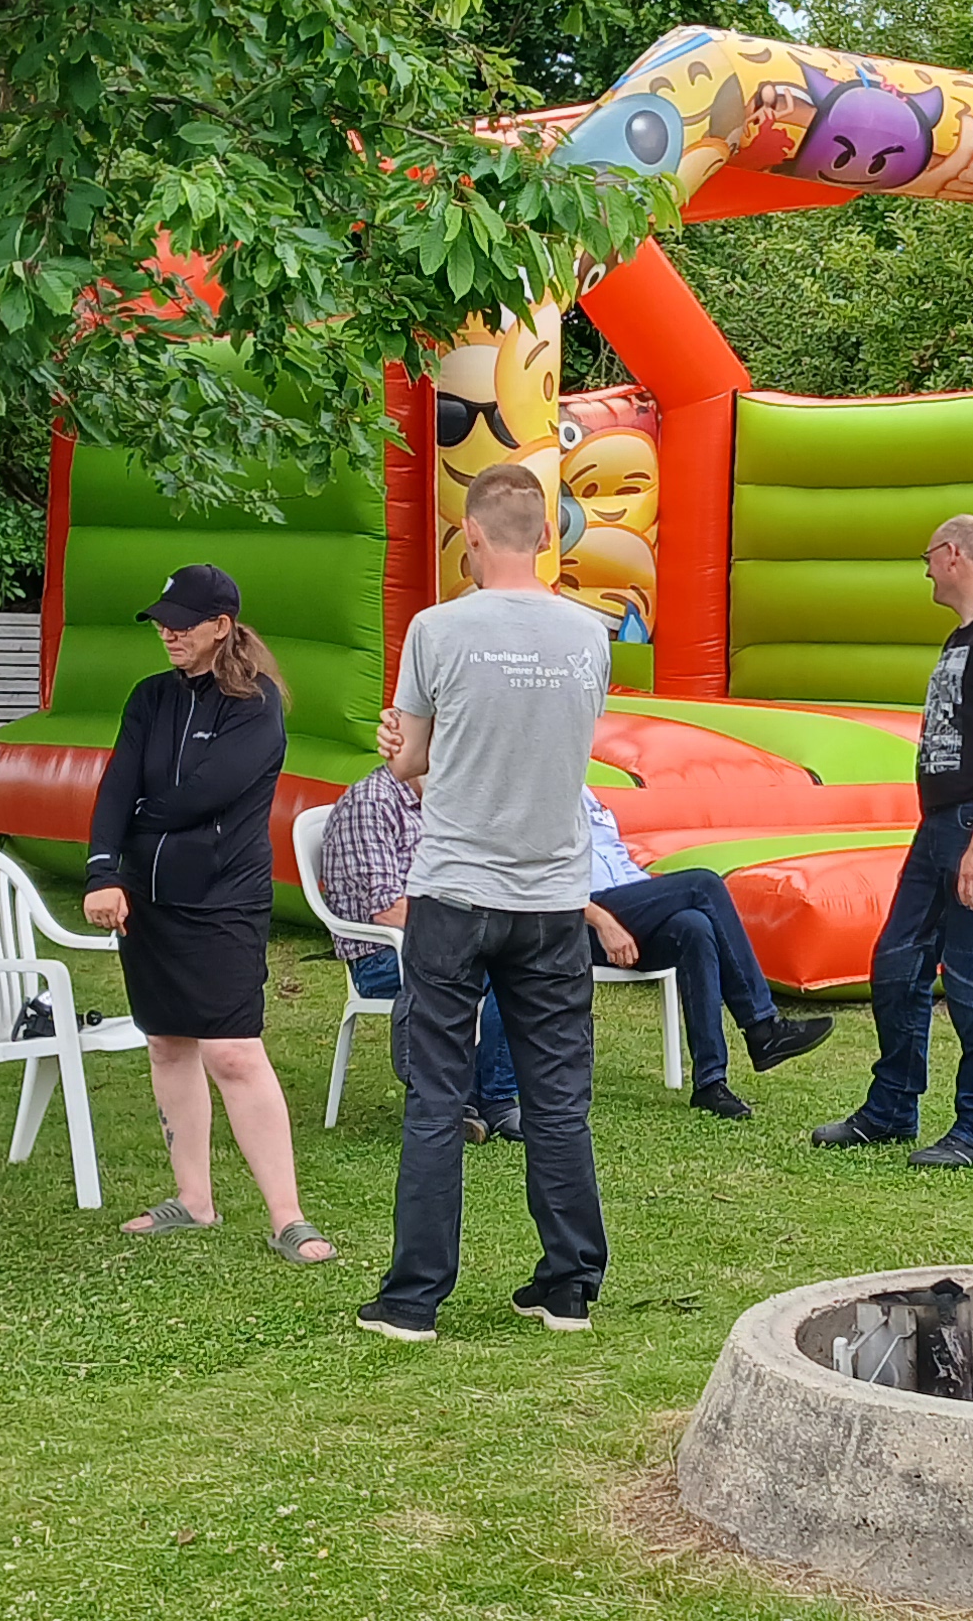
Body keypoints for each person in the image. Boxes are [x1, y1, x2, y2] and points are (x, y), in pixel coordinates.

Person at [360, 463, 616, 1342]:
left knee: (438, 1097)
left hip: (455, 890)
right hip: (552, 896)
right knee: (558, 1099)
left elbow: (410, 763)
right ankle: (568, 1286)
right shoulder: (590, 637)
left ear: (469, 534)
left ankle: (412, 1300)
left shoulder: (436, 630)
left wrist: (402, 747)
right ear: (546, 536)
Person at [83, 563, 331, 1264]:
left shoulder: (256, 704)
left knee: (233, 1050)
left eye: (183, 623)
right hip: (149, 898)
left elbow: (204, 794)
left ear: (221, 626)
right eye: (162, 623)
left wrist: (135, 822)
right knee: (166, 1042)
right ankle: (193, 1199)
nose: (169, 633)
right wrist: (104, 868)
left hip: (225, 898)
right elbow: (117, 783)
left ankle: (288, 1217)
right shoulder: (149, 697)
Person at [812, 514, 973, 1169]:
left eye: (927, 559)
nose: (925, 572)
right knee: (897, 960)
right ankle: (892, 1106)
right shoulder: (963, 636)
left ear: (952, 555)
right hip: (944, 820)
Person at [318, 709, 523, 1144]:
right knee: (484, 968)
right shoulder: (371, 804)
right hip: (382, 956)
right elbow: (386, 910)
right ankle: (460, 1099)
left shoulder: (439, 804)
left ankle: (493, 1098)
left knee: (517, 966)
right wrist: (466, 927)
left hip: (441, 942)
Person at [579, 791, 835, 1118]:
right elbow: (541, 884)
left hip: (630, 901)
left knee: (694, 927)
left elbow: (616, 861)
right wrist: (602, 921)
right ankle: (762, 1027)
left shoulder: (587, 794)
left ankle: (710, 1083)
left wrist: (654, 898)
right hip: (587, 918)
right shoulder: (541, 793)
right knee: (704, 884)